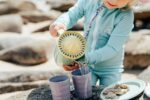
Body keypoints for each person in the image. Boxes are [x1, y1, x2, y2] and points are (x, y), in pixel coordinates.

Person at [49, 0, 138, 87]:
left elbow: (112, 48)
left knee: (110, 94)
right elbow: (71, 15)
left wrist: (82, 59)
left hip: (110, 70)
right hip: (87, 66)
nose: (114, 1)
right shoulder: (89, 2)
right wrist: (61, 23)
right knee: (82, 92)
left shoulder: (126, 16)